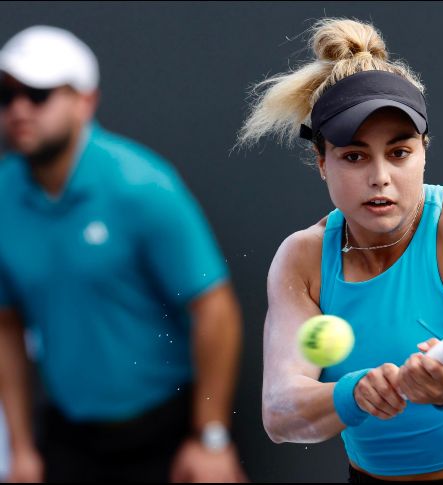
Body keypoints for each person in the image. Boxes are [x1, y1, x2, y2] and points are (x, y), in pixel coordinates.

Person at [244, 18, 443, 482]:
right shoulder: (303, 259)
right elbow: (280, 413)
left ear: (423, 151)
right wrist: (352, 394)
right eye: (354, 156)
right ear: (321, 163)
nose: (380, 176)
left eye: (399, 153)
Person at [0, 25, 246, 483]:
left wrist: (210, 439)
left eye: (37, 94)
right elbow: (6, 325)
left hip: (166, 431)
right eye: (6, 95)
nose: (17, 109)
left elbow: (215, 310)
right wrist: (20, 448)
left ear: (85, 102)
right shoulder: (2, 196)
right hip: (67, 435)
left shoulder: (141, 186)